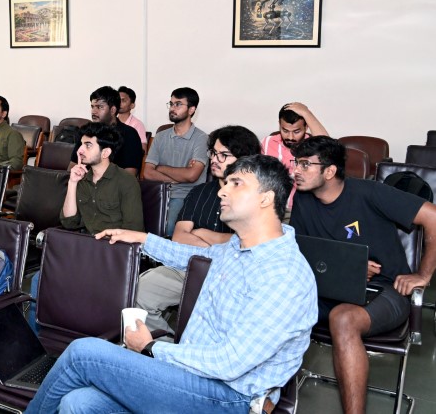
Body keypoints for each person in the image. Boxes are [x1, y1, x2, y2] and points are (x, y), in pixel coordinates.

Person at [25, 155, 317, 414]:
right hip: (191, 377)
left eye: (236, 183)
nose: (222, 190)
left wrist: (151, 346)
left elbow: (229, 363)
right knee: (78, 403)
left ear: (266, 198)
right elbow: (192, 256)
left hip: (230, 398)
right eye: (226, 182)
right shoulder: (238, 248)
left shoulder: (283, 275)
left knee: (83, 354)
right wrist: (141, 238)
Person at [289, 136, 436, 414]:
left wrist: (423, 275)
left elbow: (433, 217)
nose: (296, 170)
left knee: (343, 319)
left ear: (330, 171)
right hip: (329, 288)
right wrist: (347, 267)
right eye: (296, 162)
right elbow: (302, 251)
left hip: (385, 291)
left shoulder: (370, 193)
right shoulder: (303, 200)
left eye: (305, 164)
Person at [138, 125, 261, 333]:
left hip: (232, 275)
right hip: (187, 266)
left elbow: (247, 243)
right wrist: (221, 242)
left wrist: (201, 233)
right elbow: (179, 237)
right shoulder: (199, 192)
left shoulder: (256, 198)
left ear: (244, 160)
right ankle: (164, 344)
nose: (214, 159)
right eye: (213, 153)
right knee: (142, 289)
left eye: (223, 155)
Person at [29, 122, 144, 333]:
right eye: (81, 144)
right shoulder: (82, 178)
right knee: (39, 279)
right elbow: (69, 222)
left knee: (77, 284)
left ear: (106, 152)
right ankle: (40, 337)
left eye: (88, 145)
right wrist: (72, 183)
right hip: (84, 248)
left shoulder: (126, 182)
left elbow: (134, 232)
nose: (80, 150)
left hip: (112, 255)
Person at [143, 87, 209, 236]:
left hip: (185, 195)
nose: (172, 108)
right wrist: (178, 177)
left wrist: (160, 168)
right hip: (158, 193)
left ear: (191, 110)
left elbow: (191, 176)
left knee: (167, 228)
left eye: (178, 104)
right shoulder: (161, 136)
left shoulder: (201, 138)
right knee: (135, 222)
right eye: (171, 104)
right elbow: (147, 173)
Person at [261, 102, 328, 215]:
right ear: (279, 125)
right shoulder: (267, 142)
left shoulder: (313, 146)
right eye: (285, 131)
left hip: (301, 210)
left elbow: (328, 146)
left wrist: (307, 113)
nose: (290, 137)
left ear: (306, 127)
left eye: (297, 131)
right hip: (270, 209)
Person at [69, 86, 143, 176]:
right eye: (92, 107)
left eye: (100, 107)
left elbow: (130, 174)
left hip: (115, 183)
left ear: (113, 110)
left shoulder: (129, 134)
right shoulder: (87, 132)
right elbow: (72, 166)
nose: (94, 112)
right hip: (85, 181)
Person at [118, 86, 147, 151]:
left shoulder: (137, 124)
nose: (119, 103)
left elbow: (143, 151)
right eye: (117, 100)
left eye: (123, 100)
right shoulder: (111, 123)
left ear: (132, 105)